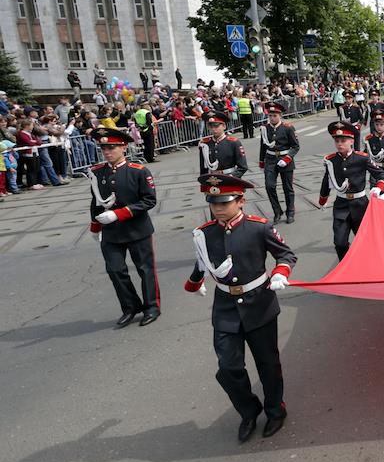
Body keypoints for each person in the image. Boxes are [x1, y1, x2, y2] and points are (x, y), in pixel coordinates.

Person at [184, 173, 296, 442]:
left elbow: (285, 254)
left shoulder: (259, 227)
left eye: (224, 202)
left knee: (268, 364)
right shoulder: (205, 233)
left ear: (241, 201)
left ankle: (275, 410)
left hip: (259, 304)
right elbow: (203, 261)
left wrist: (281, 272)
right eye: (213, 203)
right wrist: (195, 282)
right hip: (225, 308)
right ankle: (249, 411)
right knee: (228, 367)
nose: (218, 208)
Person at [86, 128, 161, 327]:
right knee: (115, 270)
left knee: (145, 269)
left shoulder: (138, 170)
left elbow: (149, 200)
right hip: (111, 232)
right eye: (103, 148)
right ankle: (130, 307)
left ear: (123, 147)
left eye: (111, 148)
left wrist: (118, 214)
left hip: (137, 229)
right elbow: (96, 202)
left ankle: (152, 307)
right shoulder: (97, 172)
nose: (107, 152)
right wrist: (95, 226)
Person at [318, 120, 384, 260]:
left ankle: (368, 264)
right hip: (341, 205)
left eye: (343, 140)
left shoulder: (361, 158)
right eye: (337, 141)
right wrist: (322, 199)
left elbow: (381, 174)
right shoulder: (331, 160)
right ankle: (344, 266)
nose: (339, 144)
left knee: (366, 241)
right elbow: (327, 180)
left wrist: (379, 187)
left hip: (360, 204)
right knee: (340, 243)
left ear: (351, 141)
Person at [259, 101, 300, 224]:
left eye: (274, 115)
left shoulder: (288, 128)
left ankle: (290, 212)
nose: (272, 118)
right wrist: (261, 161)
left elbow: (295, 146)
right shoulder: (265, 128)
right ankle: (277, 212)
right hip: (270, 160)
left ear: (280, 115)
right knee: (269, 186)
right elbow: (263, 146)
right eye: (270, 115)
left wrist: (287, 158)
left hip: (285, 159)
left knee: (288, 188)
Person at [198, 112, 249, 177]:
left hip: (230, 177)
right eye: (211, 126)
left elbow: (243, 167)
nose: (213, 129)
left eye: (216, 126)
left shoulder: (233, 142)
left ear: (224, 126)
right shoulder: (205, 144)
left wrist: (232, 176)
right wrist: (204, 180)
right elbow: (203, 168)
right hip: (213, 179)